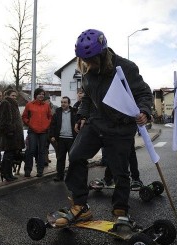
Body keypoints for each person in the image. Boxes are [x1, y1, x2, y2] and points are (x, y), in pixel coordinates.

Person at [54, 29, 152, 227]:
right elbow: (88, 96)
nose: (86, 64)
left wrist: (144, 111)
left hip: (120, 127)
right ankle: (80, 205)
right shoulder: (87, 71)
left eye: (90, 60)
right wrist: (82, 115)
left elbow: (143, 92)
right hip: (97, 121)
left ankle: (120, 209)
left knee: (119, 171)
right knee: (76, 155)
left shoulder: (126, 67)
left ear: (102, 54)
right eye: (83, 60)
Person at [22, 88, 52, 177]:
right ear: (36, 95)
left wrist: (47, 124)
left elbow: (50, 117)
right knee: (31, 150)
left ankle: (40, 171)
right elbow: (24, 116)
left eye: (43, 94)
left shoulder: (46, 106)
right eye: (39, 94)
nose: (41, 95)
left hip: (43, 132)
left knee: (42, 151)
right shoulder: (29, 105)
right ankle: (27, 170)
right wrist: (29, 123)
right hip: (32, 131)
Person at [0, 88, 25, 181]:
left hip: (14, 134)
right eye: (12, 95)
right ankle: (5, 173)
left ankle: (7, 173)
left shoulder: (12, 104)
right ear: (7, 95)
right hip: (9, 134)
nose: (14, 97)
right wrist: (9, 131)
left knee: (10, 155)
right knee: (8, 155)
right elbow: (2, 119)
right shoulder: (5, 103)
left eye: (15, 96)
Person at [49, 96, 77, 182]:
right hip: (61, 139)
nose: (63, 104)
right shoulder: (57, 112)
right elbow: (52, 125)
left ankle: (72, 176)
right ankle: (59, 176)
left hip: (72, 139)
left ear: (69, 103)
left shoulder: (74, 112)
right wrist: (52, 136)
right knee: (60, 158)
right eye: (62, 102)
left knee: (72, 158)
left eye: (65, 102)